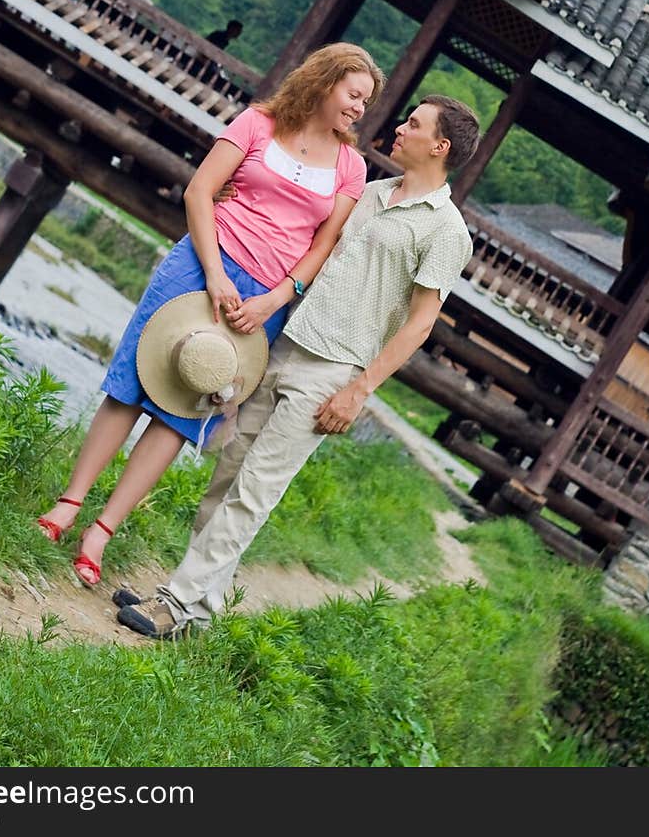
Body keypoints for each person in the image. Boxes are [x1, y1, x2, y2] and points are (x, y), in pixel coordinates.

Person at [113, 94, 480, 639]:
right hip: (284, 344)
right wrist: (237, 194)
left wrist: (360, 391)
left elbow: (420, 324)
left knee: (254, 489)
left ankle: (178, 601)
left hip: (332, 371)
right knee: (228, 474)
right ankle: (194, 608)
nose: (400, 128)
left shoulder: (446, 231)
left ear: (440, 146)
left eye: (415, 124)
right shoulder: (372, 193)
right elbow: (307, 231)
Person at [36, 42, 385, 585]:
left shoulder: (351, 167)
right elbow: (200, 191)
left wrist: (276, 297)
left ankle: (101, 532)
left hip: (261, 303)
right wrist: (216, 274)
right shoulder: (257, 122)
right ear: (324, 81)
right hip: (201, 265)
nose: (360, 109)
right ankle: (68, 504)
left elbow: (322, 247)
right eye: (354, 94)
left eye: (366, 101)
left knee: (183, 408)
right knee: (132, 383)